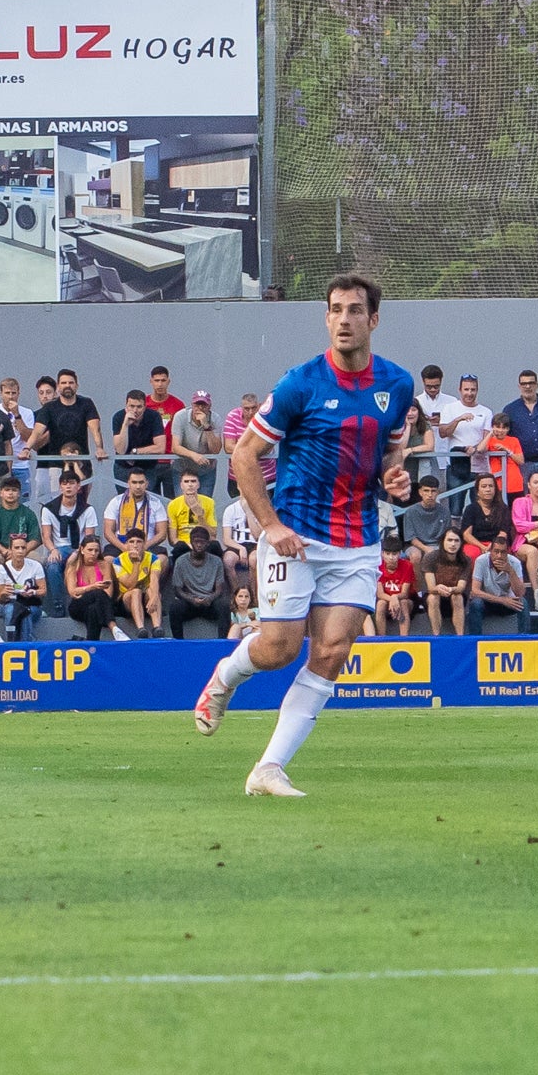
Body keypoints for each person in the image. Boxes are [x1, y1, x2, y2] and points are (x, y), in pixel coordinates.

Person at [185, 276, 424, 799]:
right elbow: (244, 454)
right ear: (326, 318)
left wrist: (395, 474)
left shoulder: (398, 385)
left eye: (354, 310)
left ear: (373, 320)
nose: (343, 319)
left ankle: (268, 768)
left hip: (358, 536)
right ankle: (225, 678)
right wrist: (271, 525)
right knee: (278, 648)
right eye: (335, 310)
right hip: (295, 533)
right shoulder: (301, 383)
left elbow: (391, 453)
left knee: (334, 649)